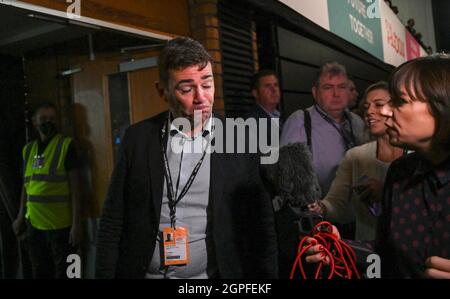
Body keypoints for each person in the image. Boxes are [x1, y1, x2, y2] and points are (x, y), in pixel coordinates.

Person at [95, 37, 278, 279]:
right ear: (163, 91)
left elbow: (260, 225)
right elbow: (113, 220)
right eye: (186, 88)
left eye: (207, 83)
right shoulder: (138, 139)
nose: (201, 97)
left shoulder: (240, 139)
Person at [305, 54, 450, 278]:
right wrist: (340, 249)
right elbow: (385, 255)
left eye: (400, 102)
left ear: (442, 106)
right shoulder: (400, 172)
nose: (383, 112)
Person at [308, 82, 404, 240]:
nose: (369, 112)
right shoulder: (355, 156)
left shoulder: (417, 156)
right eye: (366, 107)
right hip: (368, 253)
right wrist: (320, 207)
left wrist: (386, 193)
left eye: (378, 105)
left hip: (409, 254)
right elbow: (335, 203)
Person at [12, 102, 82, 279]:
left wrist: (76, 224)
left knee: (67, 273)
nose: (47, 122)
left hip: (61, 226)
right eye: (43, 118)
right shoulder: (28, 150)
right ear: (34, 121)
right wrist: (21, 216)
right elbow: (26, 186)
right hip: (34, 224)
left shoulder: (66, 145)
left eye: (51, 118)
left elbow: (76, 188)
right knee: (40, 271)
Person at [281, 62, 368, 196]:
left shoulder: (357, 122)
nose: (336, 94)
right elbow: (287, 179)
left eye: (342, 87)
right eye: (328, 87)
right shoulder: (300, 121)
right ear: (315, 93)